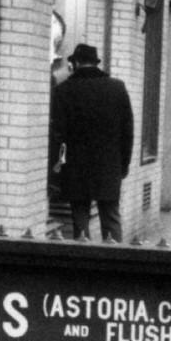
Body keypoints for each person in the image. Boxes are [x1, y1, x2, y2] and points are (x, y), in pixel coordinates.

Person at [49, 41, 133, 242]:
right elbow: (127, 132)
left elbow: (57, 135)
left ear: (76, 63)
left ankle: (84, 262)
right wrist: (124, 165)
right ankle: (115, 263)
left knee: (80, 217)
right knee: (111, 216)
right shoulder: (117, 88)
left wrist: (56, 167)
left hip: (77, 167)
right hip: (109, 165)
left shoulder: (63, 91)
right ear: (95, 63)